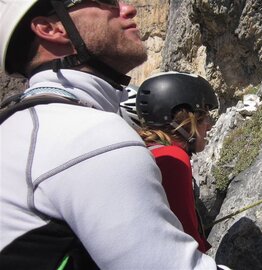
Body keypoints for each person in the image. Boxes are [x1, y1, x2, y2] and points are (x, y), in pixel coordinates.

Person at [0, 1, 223, 269]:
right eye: (104, 1)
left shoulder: (19, 130)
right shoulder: (87, 135)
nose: (129, 9)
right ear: (51, 28)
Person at [135, 72, 218, 253]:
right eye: (204, 117)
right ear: (185, 120)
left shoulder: (146, 150)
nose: (209, 125)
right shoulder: (172, 159)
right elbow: (187, 237)